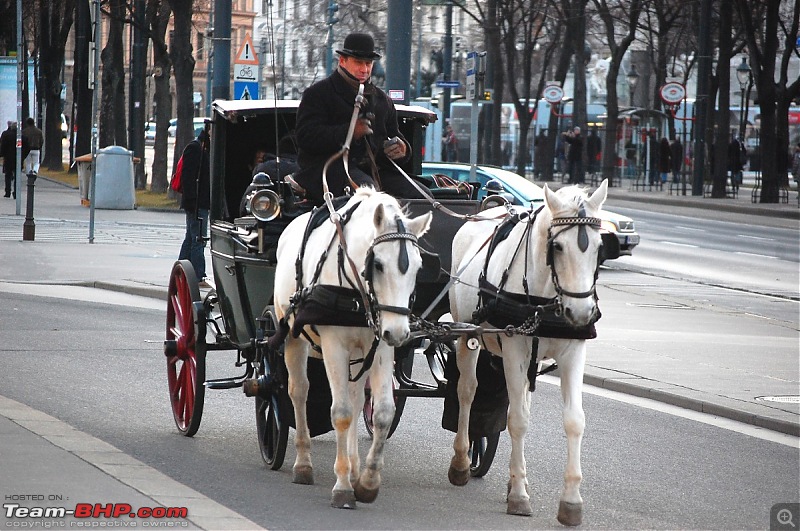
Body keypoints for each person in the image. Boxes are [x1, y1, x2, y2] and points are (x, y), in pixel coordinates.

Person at [293, 32, 428, 204]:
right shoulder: (318, 93)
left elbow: (395, 135)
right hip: (328, 170)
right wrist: (349, 131)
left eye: (368, 63)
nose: (364, 69)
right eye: (358, 62)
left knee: (421, 196)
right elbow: (306, 137)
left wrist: (402, 149)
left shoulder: (382, 100)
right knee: (368, 194)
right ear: (342, 61)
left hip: (375, 171)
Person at [177, 124, 211, 288]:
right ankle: (198, 275)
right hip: (197, 202)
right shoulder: (195, 149)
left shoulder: (199, 149)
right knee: (198, 238)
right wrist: (192, 200)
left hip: (197, 201)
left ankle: (181, 271)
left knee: (191, 238)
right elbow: (188, 176)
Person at [0, 120, 17, 198]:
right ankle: (16, 192)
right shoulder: (20, 135)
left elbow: (2, 145)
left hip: (8, 157)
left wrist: (2, 154)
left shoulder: (5, 134)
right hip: (17, 157)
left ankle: (7, 191)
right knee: (17, 175)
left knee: (8, 175)